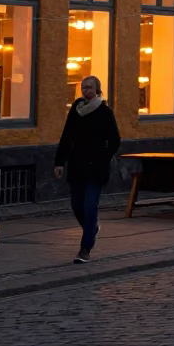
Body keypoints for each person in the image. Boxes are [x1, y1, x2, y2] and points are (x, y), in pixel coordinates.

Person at [53, 76, 120, 264]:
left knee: (90, 205)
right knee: (76, 206)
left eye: (89, 88)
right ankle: (92, 229)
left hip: (96, 168)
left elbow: (115, 139)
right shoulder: (76, 109)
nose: (85, 91)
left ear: (98, 90)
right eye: (83, 88)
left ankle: (85, 249)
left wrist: (103, 157)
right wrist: (59, 162)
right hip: (77, 165)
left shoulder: (105, 112)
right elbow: (67, 135)